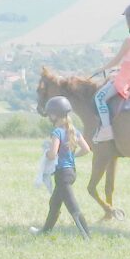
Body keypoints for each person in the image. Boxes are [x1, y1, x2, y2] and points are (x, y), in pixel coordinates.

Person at [31, 96, 92, 238]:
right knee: (54, 203)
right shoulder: (74, 131)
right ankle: (45, 232)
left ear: (54, 115)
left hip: (62, 175)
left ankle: (87, 236)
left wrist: (45, 154)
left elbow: (52, 155)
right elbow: (87, 149)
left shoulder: (57, 132)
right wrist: (73, 156)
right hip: (71, 173)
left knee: (73, 207)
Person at [91, 3, 130, 143]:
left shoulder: (129, 41)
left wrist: (102, 69)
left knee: (99, 98)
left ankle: (106, 130)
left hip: (127, 78)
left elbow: (116, 60)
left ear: (129, 21)